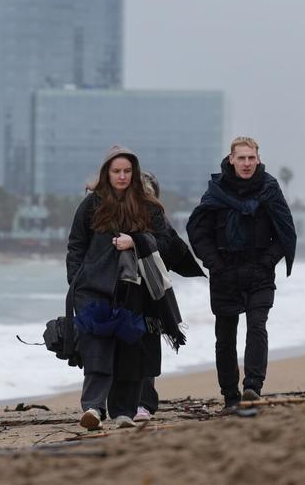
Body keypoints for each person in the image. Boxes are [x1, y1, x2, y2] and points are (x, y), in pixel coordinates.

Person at [67, 145, 188, 430]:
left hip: (136, 290)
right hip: (94, 288)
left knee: (130, 352)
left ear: (133, 173)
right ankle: (94, 409)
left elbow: (168, 243)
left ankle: (123, 412)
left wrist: (136, 241)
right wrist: (76, 281)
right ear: (106, 173)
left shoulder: (148, 206)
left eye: (126, 171)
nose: (121, 176)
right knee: (97, 347)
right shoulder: (91, 205)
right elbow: (75, 245)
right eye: (116, 171)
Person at [186, 136, 296, 412]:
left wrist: (267, 262)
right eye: (241, 158)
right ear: (231, 159)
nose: (247, 163)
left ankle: (253, 388)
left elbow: (285, 232)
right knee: (225, 337)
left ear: (258, 159)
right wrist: (214, 264)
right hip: (225, 272)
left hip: (259, 271)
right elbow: (198, 232)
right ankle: (230, 397)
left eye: (251, 158)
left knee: (257, 327)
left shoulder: (270, 189)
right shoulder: (215, 192)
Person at [134, 170, 203, 422]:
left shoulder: (157, 216)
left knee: (148, 344)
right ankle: (120, 402)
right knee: (121, 346)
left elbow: (167, 246)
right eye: (139, 190)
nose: (144, 195)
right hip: (121, 290)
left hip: (152, 291)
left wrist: (141, 242)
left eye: (148, 191)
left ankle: (144, 404)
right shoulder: (116, 213)